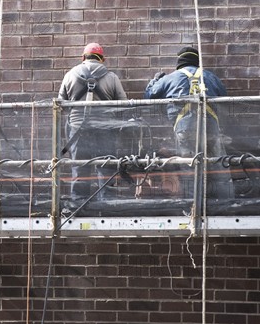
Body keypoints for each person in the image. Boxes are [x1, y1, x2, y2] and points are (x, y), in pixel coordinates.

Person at [144, 46, 232, 198]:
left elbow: (149, 96)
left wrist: (155, 80)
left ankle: (193, 205)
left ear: (180, 62)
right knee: (219, 166)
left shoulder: (171, 77)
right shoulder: (210, 77)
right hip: (210, 128)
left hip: (185, 129)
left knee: (190, 167)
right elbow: (224, 95)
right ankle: (226, 203)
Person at [58, 42, 127, 203]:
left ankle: (79, 203)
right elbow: (123, 104)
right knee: (106, 165)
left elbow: (60, 104)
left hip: (78, 130)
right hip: (106, 129)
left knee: (80, 166)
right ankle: (108, 202)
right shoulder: (112, 77)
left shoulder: (70, 75)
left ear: (83, 58)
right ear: (102, 59)